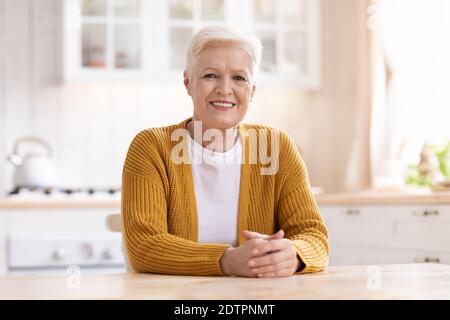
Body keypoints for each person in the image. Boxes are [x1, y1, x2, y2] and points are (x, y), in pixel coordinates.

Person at [121, 25, 329, 278]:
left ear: (252, 91)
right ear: (188, 82)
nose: (225, 89)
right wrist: (227, 260)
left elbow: (314, 236)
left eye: (239, 78)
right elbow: (144, 245)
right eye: (210, 75)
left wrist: (293, 255)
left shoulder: (277, 146)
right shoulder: (151, 147)